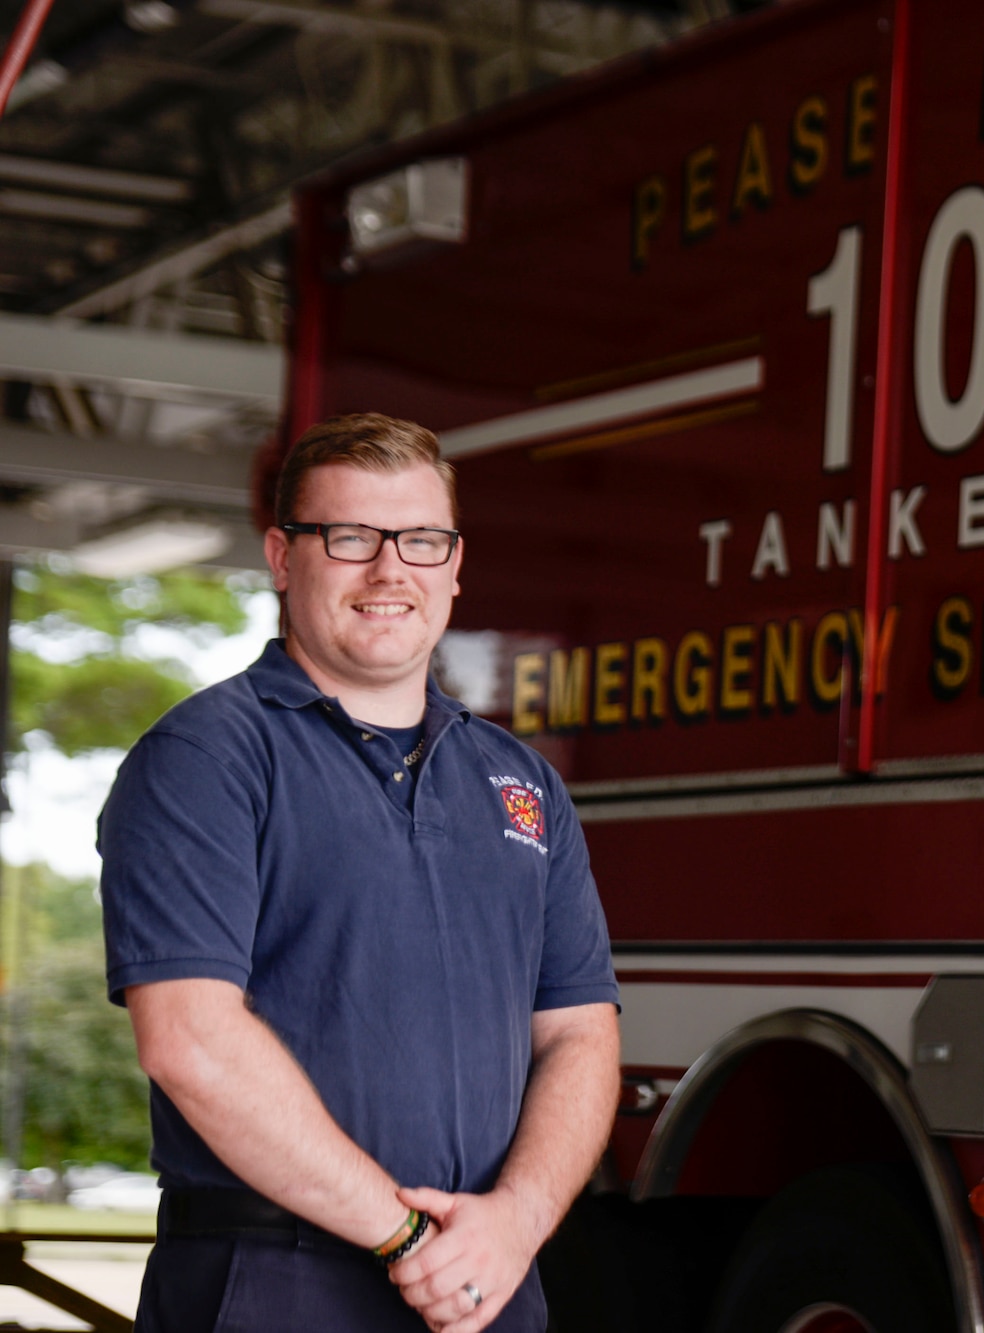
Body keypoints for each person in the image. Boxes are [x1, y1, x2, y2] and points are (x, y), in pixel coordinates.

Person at [97, 413, 622, 1333]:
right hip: (271, 1285)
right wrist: (408, 1238)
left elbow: (579, 1035)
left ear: (455, 567)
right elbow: (189, 1039)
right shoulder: (206, 758)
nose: (390, 571)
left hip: (487, 1289)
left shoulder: (522, 781)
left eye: (420, 540)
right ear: (282, 555)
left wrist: (516, 1224)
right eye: (350, 538)